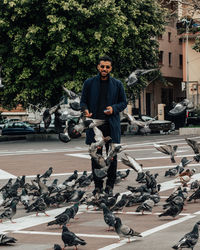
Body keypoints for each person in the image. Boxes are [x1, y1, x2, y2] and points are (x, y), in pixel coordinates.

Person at [80, 55, 127, 196]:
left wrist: (114, 108)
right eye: (102, 66)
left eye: (107, 67)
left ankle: (110, 186)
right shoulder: (89, 83)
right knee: (96, 156)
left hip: (111, 125)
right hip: (95, 126)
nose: (104, 69)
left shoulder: (117, 84)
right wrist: (85, 110)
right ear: (98, 67)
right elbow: (83, 102)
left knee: (112, 156)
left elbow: (123, 102)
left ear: (111, 68)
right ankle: (98, 186)